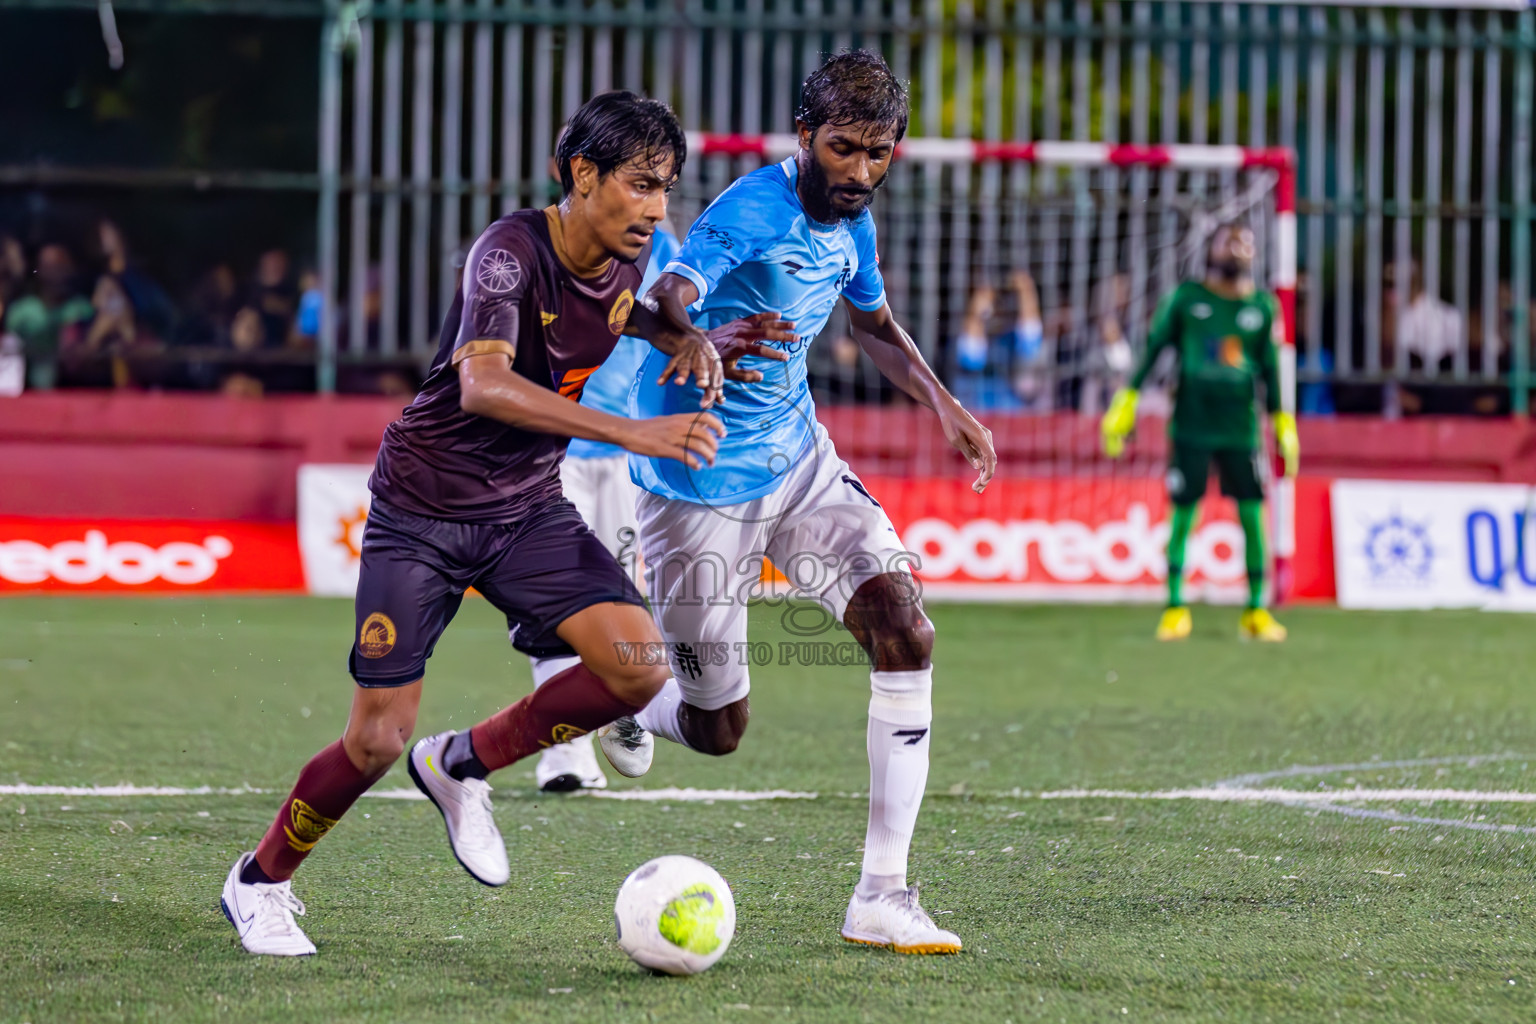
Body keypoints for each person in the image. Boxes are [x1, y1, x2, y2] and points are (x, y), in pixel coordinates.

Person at [219, 91, 787, 956]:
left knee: (637, 670)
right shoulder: (507, 253)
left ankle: (460, 765)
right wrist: (633, 430)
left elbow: (627, 319)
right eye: (639, 184)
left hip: (524, 511)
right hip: (423, 513)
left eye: (665, 187)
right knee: (375, 739)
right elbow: (484, 384)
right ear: (582, 174)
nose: (656, 209)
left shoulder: (624, 266)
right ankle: (259, 881)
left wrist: (701, 338)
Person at [619, 50, 997, 955]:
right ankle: (631, 703)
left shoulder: (851, 219)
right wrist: (696, 335)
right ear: (804, 137)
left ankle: (882, 894)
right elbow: (652, 302)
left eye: (878, 153)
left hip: (798, 461)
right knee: (718, 728)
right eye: (843, 149)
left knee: (904, 629)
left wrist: (944, 402)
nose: (860, 172)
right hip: (698, 480)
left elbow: (871, 324)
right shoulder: (751, 210)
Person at [531, 214, 681, 792]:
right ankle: (564, 755)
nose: (652, 196)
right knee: (555, 594)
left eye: (660, 178)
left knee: (618, 596)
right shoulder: (544, 243)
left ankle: (619, 699)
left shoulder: (666, 250)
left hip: (625, 451)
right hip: (552, 447)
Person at [1100, 223, 1298, 642]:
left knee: (1251, 515)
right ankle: (1174, 607)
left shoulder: (1262, 308)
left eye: (1247, 241)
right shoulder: (1187, 300)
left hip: (1241, 429)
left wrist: (1282, 419)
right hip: (1191, 425)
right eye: (1231, 240)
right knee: (1183, 515)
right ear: (1212, 249)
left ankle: (1257, 610)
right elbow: (1154, 351)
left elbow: (1270, 370)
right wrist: (1128, 399)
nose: (1239, 247)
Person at [3, 243, 94, 391]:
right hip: (25, 390)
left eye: (58, 266)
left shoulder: (81, 308)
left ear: (68, 269)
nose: (53, 273)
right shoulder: (21, 310)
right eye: (47, 266)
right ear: (38, 269)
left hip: (72, 390)